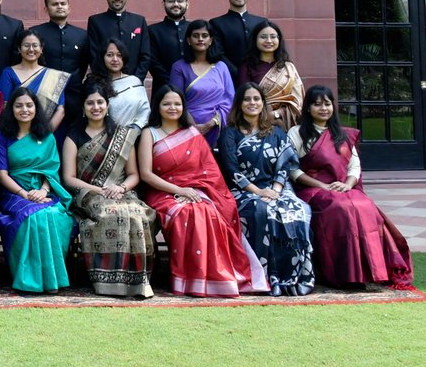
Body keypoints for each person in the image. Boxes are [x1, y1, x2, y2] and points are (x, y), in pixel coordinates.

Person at [138, 86, 268, 297]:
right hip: (161, 192)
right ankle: (188, 280)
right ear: (158, 107)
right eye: (167, 104)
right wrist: (179, 190)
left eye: (177, 104)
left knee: (207, 211)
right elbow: (146, 174)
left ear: (183, 107)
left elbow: (208, 172)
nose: (173, 108)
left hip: (195, 190)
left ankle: (212, 278)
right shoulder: (149, 133)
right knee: (185, 213)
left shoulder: (192, 134)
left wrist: (192, 191)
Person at [289, 85, 414, 290]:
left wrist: (347, 185)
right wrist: (323, 185)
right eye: (317, 104)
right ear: (308, 108)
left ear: (333, 107)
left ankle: (371, 272)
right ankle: (343, 274)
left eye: (327, 104)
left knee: (364, 205)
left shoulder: (343, 134)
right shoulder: (297, 133)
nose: (323, 108)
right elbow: (292, 169)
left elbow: (354, 166)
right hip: (313, 189)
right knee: (341, 209)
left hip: (343, 187)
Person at [218, 83, 314, 296]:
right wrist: (259, 192)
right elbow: (231, 169)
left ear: (263, 103)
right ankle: (267, 277)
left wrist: (277, 190)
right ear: (239, 104)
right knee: (261, 211)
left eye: (256, 99)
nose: (252, 103)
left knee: (298, 211)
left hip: (277, 188)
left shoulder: (276, 132)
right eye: (247, 99)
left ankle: (297, 277)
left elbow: (286, 164)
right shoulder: (230, 134)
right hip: (244, 191)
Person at [61, 82, 156, 298]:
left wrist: (120, 188)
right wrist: (99, 189)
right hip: (87, 194)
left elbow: (134, 175)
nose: (96, 107)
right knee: (110, 213)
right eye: (90, 103)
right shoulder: (73, 136)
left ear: (107, 105)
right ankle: (108, 281)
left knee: (137, 214)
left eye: (100, 102)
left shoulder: (122, 135)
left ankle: (136, 281)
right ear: (83, 107)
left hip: (120, 191)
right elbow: (68, 178)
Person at [0, 86, 74, 294]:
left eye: (29, 105)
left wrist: (44, 191)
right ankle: (30, 279)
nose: (24, 110)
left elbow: (52, 169)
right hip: (14, 193)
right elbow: (2, 175)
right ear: (11, 109)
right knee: (32, 217)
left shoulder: (46, 136)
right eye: (19, 106)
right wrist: (24, 194)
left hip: (44, 191)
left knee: (53, 214)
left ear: (36, 109)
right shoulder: (4, 137)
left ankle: (51, 278)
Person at [168, 19, 235, 146]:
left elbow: (229, 99)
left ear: (211, 40)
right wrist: (193, 128)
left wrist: (212, 123)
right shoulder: (179, 67)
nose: (200, 39)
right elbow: (176, 100)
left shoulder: (221, 67)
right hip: (186, 128)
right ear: (188, 40)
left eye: (205, 36)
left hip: (218, 128)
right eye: (195, 35)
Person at [30, 0, 88, 130]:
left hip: (73, 95)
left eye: (63, 3)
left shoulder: (82, 35)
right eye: (55, 4)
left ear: (69, 7)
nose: (60, 6)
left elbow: (84, 63)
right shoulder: (35, 33)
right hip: (43, 94)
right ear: (46, 8)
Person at [0, 29, 68, 133]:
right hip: (16, 133)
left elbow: (60, 110)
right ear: (19, 49)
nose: (31, 49)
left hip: (46, 134)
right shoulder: (8, 73)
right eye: (26, 45)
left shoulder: (53, 76)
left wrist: (45, 134)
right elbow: (4, 108)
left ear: (41, 49)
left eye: (35, 45)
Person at [238, 21, 303, 131]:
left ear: (279, 40)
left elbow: (298, 100)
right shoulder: (247, 67)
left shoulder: (288, 67)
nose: (268, 41)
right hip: (255, 123)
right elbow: (243, 98)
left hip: (286, 123)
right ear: (255, 40)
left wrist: (276, 114)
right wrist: (264, 115)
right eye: (263, 37)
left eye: (273, 37)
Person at [85, 0, 150, 83]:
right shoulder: (95, 21)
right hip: (105, 84)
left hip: (134, 83)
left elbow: (145, 56)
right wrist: (105, 81)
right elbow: (94, 55)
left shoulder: (139, 21)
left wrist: (136, 80)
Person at [209, 0, 266, 75]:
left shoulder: (262, 22)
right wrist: (238, 73)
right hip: (231, 79)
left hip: (261, 76)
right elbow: (217, 54)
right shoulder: (216, 23)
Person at [89, 39, 150, 130]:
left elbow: (144, 110)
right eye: (110, 55)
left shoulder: (134, 81)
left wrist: (134, 129)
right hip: (102, 136)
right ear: (102, 57)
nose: (115, 59)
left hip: (135, 134)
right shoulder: (93, 83)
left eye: (119, 55)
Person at [148, 0, 189, 89]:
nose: (176, 4)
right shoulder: (152, 30)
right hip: (163, 87)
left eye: (180, 1)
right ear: (163, 4)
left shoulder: (195, 29)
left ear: (187, 4)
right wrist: (172, 82)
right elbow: (152, 62)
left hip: (193, 87)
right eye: (171, 1)